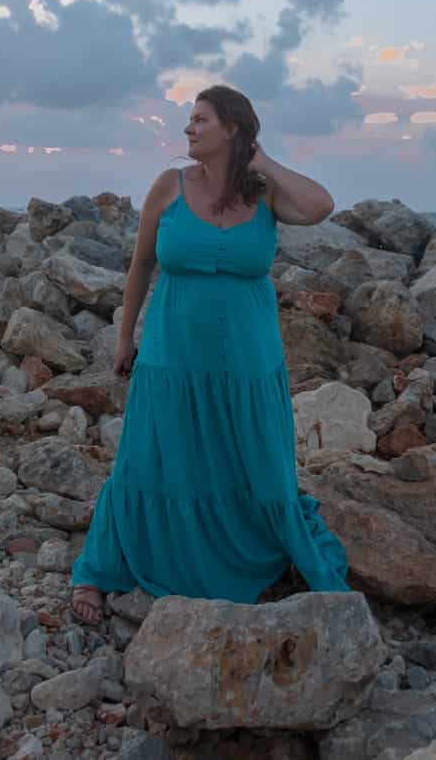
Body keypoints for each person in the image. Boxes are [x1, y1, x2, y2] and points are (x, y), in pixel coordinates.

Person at [69, 84, 350, 624]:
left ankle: (242, 555)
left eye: (200, 120)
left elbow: (321, 206)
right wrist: (125, 337)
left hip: (248, 362)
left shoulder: (264, 193)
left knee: (253, 463)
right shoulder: (168, 188)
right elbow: (140, 267)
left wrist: (261, 160)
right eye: (189, 120)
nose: (188, 129)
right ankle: (100, 568)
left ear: (233, 130)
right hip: (172, 356)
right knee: (152, 458)